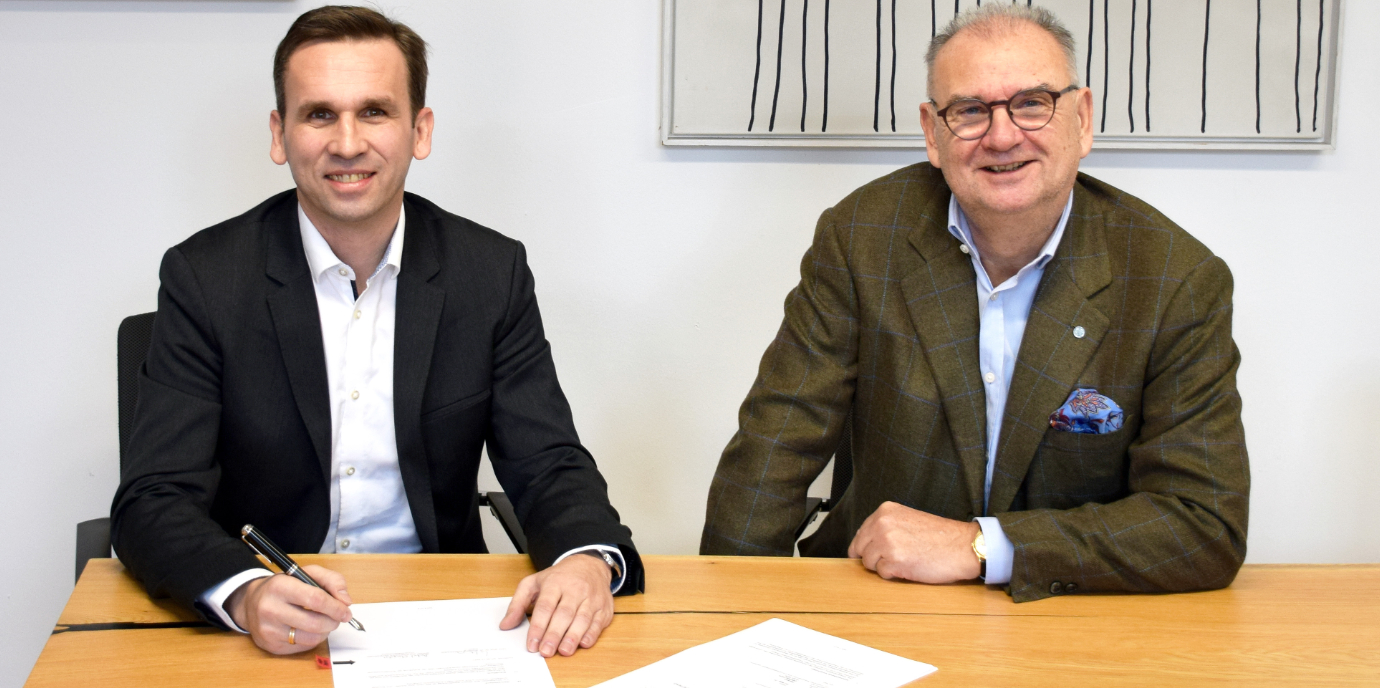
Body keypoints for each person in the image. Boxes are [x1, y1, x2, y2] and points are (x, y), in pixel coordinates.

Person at [111, 5, 641, 657]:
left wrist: (585, 560)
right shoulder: (206, 279)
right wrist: (246, 592)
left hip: (441, 616)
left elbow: (549, 463)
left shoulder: (489, 274)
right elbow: (153, 498)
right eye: (319, 114)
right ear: (280, 134)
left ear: (420, 130)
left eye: (374, 111)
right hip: (269, 620)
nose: (347, 142)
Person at [700, 5, 1249, 602]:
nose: (1003, 136)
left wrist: (981, 546)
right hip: (879, 593)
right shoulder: (862, 236)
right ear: (932, 133)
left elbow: (1202, 524)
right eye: (969, 110)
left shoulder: (1174, 279)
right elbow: (776, 446)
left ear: (1083, 119)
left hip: (1067, 609)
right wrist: (731, 612)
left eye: (1033, 103)